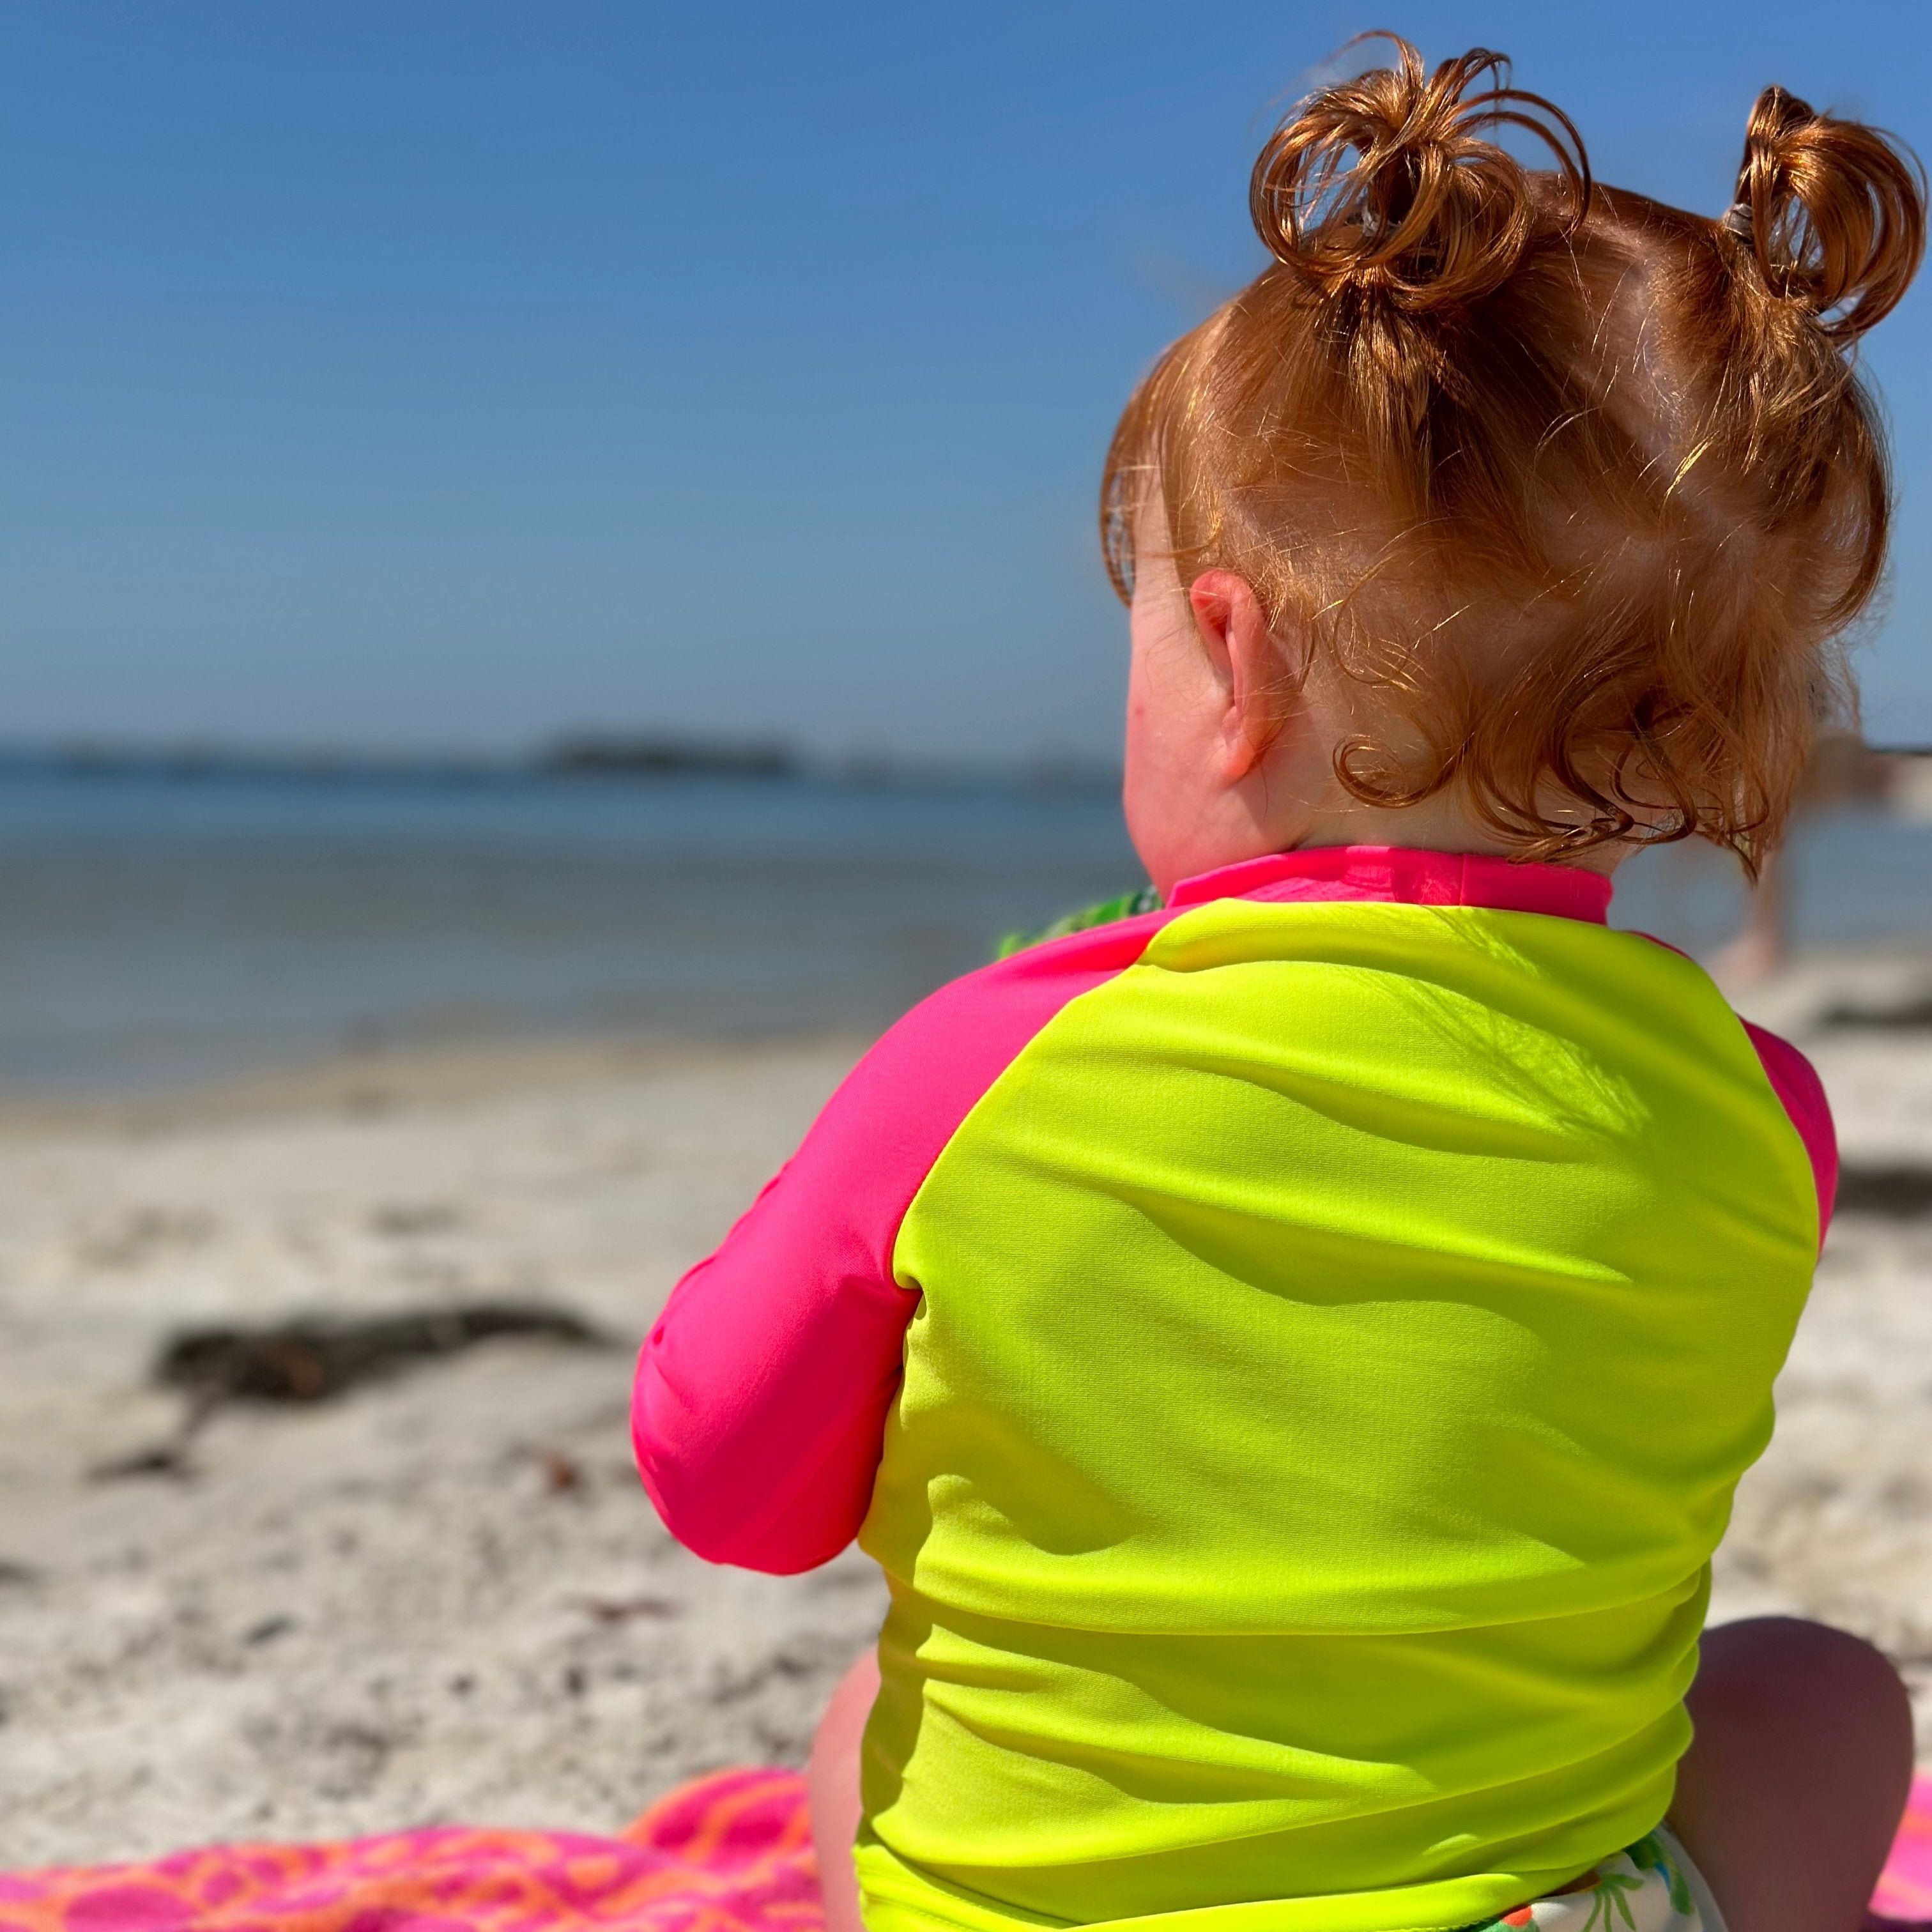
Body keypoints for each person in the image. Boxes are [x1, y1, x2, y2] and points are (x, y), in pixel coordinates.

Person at [632, 39, 1925, 1932]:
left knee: (857, 1725)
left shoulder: (989, 1061)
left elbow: (724, 1486)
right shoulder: (1761, 1119)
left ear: (1228, 662)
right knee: (1825, 1698)